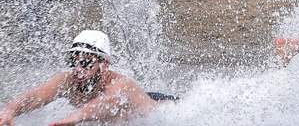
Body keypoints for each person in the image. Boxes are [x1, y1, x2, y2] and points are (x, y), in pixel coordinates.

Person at [0, 30, 176, 125]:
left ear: (105, 64)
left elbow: (106, 104)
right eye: (73, 61)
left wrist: (75, 118)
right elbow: (36, 96)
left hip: (165, 110)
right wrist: (10, 110)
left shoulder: (121, 85)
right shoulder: (68, 80)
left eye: (86, 63)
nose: (78, 69)